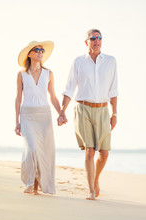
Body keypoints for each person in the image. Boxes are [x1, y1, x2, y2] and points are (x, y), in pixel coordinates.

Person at [58, 29, 118, 200]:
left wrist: (115, 113)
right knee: (90, 151)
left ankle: (96, 179)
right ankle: (91, 190)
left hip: (103, 109)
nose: (96, 41)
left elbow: (114, 89)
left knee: (104, 152)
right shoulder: (78, 61)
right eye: (93, 38)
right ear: (87, 42)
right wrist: (62, 110)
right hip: (83, 108)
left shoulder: (111, 61)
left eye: (99, 38)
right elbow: (69, 88)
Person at [15, 40, 61, 195]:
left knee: (44, 151)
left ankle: (36, 186)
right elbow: (18, 98)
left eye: (42, 50)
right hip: (27, 115)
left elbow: (53, 97)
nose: (40, 52)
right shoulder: (21, 75)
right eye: (37, 50)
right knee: (32, 149)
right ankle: (29, 182)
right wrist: (16, 121)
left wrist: (61, 113)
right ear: (29, 54)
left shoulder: (49, 74)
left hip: (44, 116)